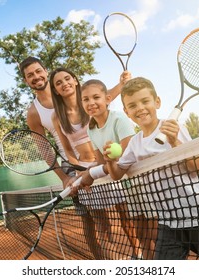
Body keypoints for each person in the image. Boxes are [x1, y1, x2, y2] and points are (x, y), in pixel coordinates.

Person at [101, 77, 199, 260]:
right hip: (169, 222)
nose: (140, 108)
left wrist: (175, 142)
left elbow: (198, 168)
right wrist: (110, 161)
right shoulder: (135, 143)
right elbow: (117, 174)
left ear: (157, 102)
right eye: (133, 105)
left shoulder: (173, 128)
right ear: (126, 111)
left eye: (145, 101)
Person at [21, 57, 121, 259]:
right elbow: (45, 149)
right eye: (30, 75)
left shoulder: (74, 91)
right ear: (25, 81)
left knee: (123, 211)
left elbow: (103, 98)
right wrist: (65, 177)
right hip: (72, 166)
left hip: (102, 157)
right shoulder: (34, 113)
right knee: (89, 220)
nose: (36, 77)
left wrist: (123, 83)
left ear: (45, 71)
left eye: (38, 71)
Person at [50, 68, 132, 259]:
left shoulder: (89, 103)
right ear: (55, 90)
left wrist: (122, 82)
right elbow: (67, 150)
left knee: (125, 215)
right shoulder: (57, 116)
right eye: (58, 83)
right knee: (102, 223)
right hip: (85, 169)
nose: (64, 84)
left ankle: (138, 256)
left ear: (76, 80)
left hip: (105, 162)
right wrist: (81, 172)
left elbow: (107, 96)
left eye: (67, 78)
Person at [78, 79, 147, 259]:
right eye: (85, 99)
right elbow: (102, 162)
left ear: (107, 99)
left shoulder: (119, 118)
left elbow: (128, 155)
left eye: (96, 97)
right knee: (142, 234)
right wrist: (84, 176)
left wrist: (93, 173)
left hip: (142, 182)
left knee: (150, 234)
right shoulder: (91, 130)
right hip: (126, 185)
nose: (91, 102)